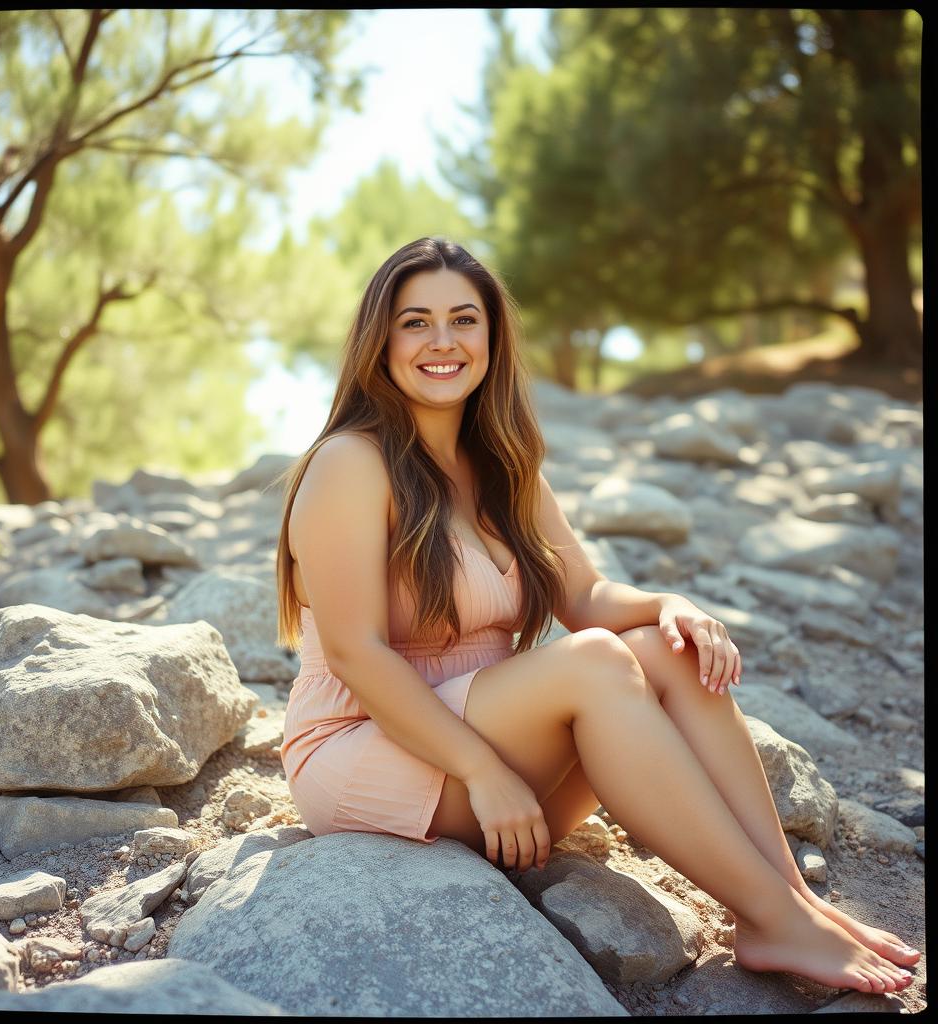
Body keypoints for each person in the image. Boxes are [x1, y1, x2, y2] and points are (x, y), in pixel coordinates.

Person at [273, 236, 918, 996]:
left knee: (664, 649)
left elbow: (585, 598)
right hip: (369, 749)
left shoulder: (505, 464)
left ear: (493, 336)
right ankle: (778, 914)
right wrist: (483, 771)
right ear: (380, 340)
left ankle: (785, 905)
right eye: (415, 322)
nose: (442, 342)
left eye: (463, 320)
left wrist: (670, 606)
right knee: (598, 662)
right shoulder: (352, 462)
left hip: (490, 749)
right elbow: (355, 653)